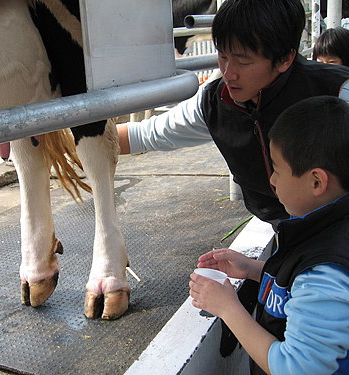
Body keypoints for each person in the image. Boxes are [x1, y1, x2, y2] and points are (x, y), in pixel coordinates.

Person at [117, 0, 349, 227]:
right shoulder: (215, 102)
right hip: (280, 228)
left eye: (243, 61)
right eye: (223, 56)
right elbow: (148, 134)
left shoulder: (338, 93)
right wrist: (83, 143)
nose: (228, 73)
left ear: (285, 59)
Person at [189, 96, 349, 375]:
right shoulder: (326, 229)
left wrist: (228, 307)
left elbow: (296, 367)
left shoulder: (326, 270)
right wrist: (255, 270)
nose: (272, 180)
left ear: (316, 182)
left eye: (276, 169)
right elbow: (301, 289)